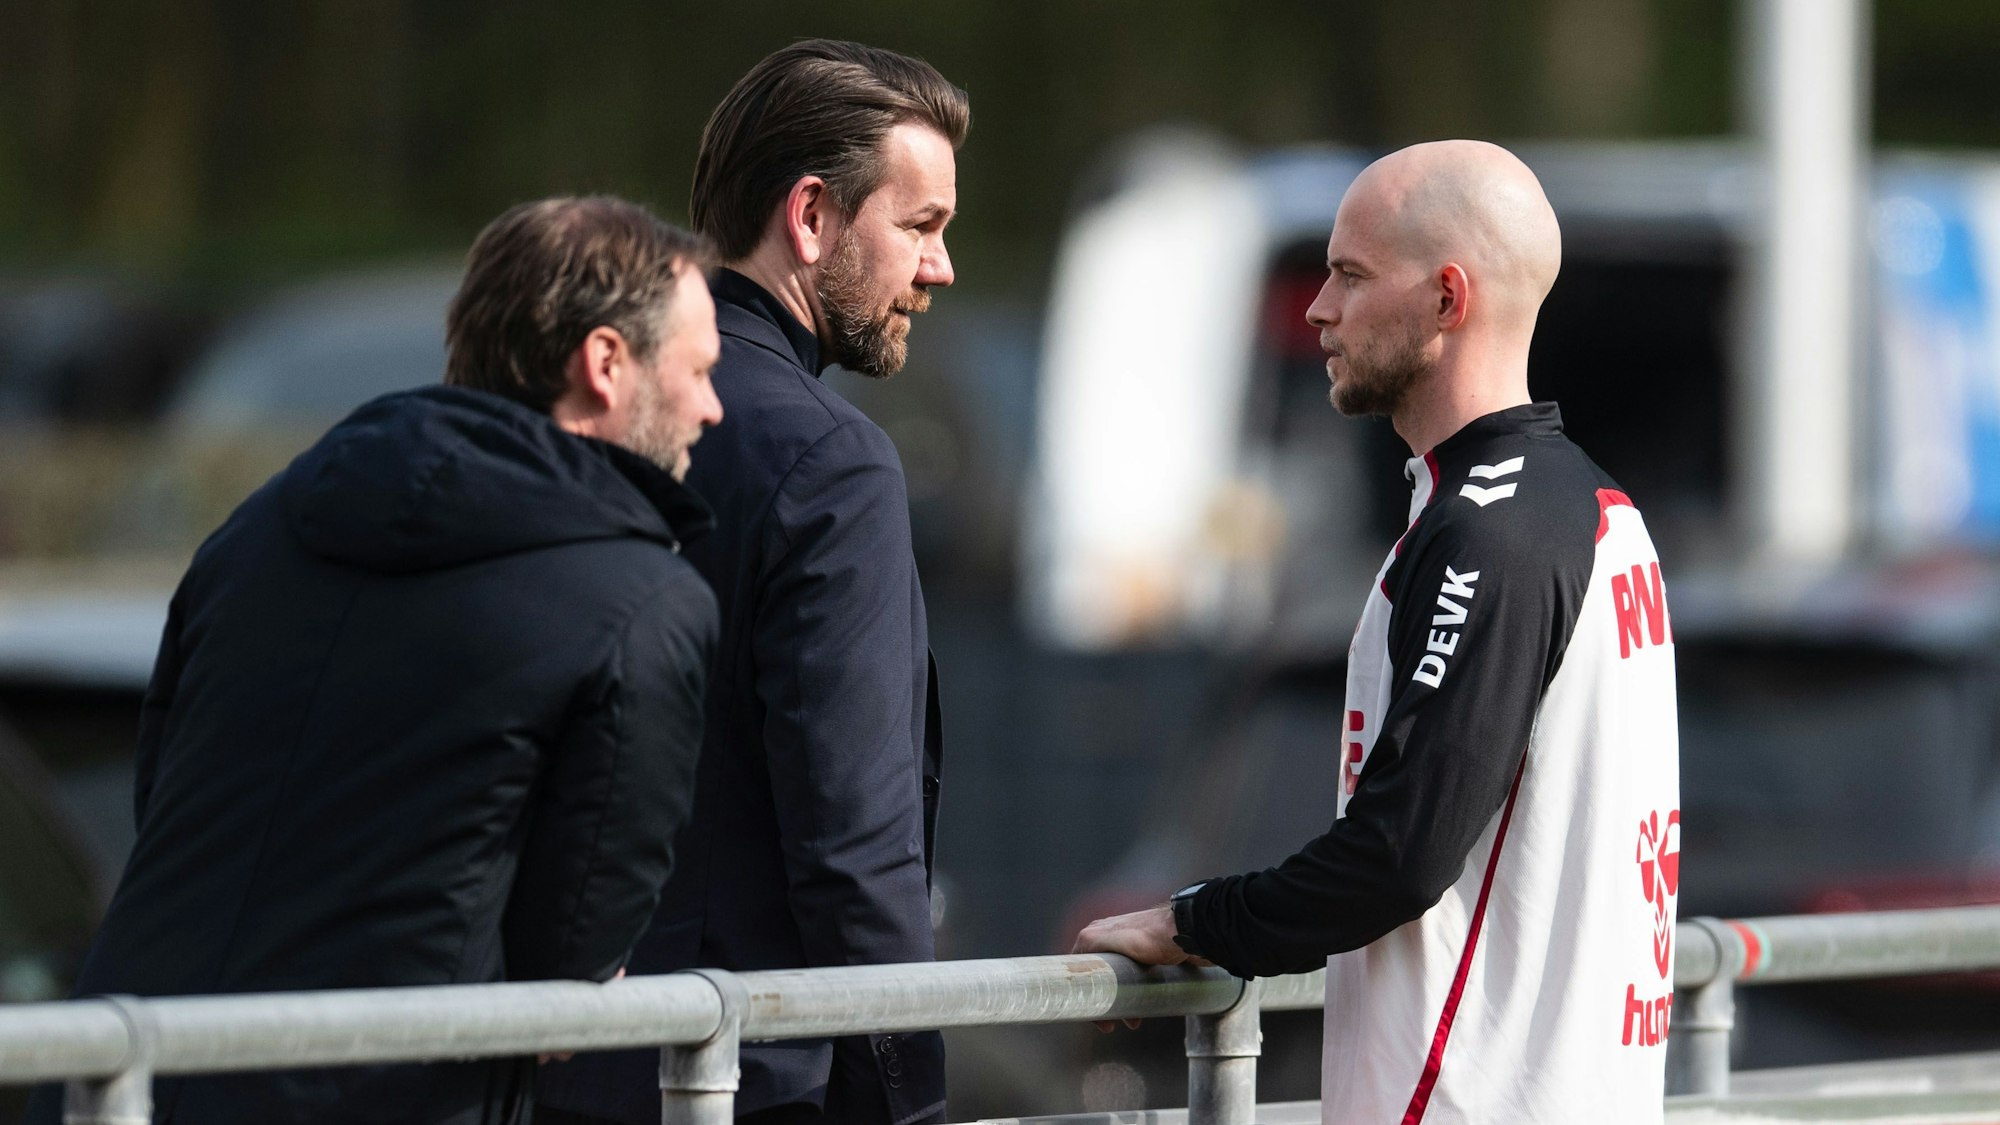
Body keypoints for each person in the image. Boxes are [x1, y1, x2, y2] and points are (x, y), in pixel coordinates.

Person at [27, 196, 724, 1125]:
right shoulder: (645, 604)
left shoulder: (259, 528)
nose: (713, 407)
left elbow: (169, 806)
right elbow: (570, 974)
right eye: (700, 369)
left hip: (123, 1083)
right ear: (605, 363)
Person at [1073, 141, 1682, 1124]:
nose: (1316, 309)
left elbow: (1396, 853)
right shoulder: (1588, 505)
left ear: (1447, 297)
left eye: (1348, 276)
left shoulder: (1491, 527)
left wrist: (1186, 920)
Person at [537, 39, 965, 1125]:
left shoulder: (569, 415)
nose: (941, 269)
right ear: (811, 217)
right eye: (918, 227)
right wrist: (904, 1107)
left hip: (547, 1065)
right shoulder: (829, 460)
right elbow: (853, 847)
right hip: (750, 1079)